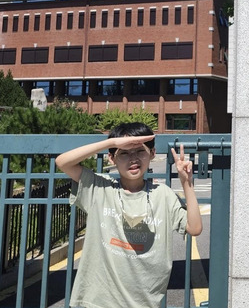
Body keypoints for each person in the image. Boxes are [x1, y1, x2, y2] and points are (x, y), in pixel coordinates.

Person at [55, 122, 202, 308]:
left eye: (140, 151)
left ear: (152, 154)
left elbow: (195, 227)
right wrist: (112, 142)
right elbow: (62, 162)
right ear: (111, 158)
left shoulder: (162, 195)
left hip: (145, 302)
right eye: (124, 153)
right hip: (97, 301)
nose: (133, 159)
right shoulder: (100, 188)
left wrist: (187, 183)